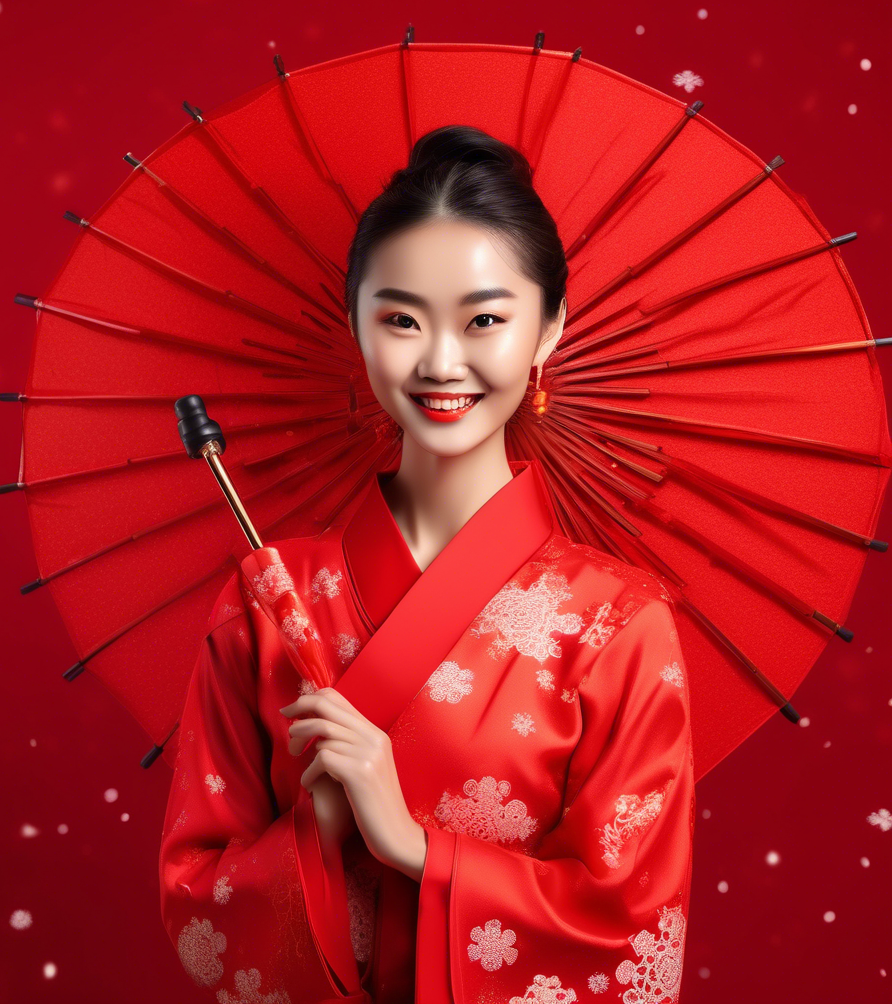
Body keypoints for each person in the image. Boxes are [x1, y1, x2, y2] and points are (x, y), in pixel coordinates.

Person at [159, 125, 694, 1004]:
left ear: (550, 328)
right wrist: (318, 823)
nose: (442, 362)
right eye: (402, 319)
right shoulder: (266, 601)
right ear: (355, 325)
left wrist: (415, 848)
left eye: (485, 320)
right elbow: (196, 904)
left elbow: (631, 929)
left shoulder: (616, 622)